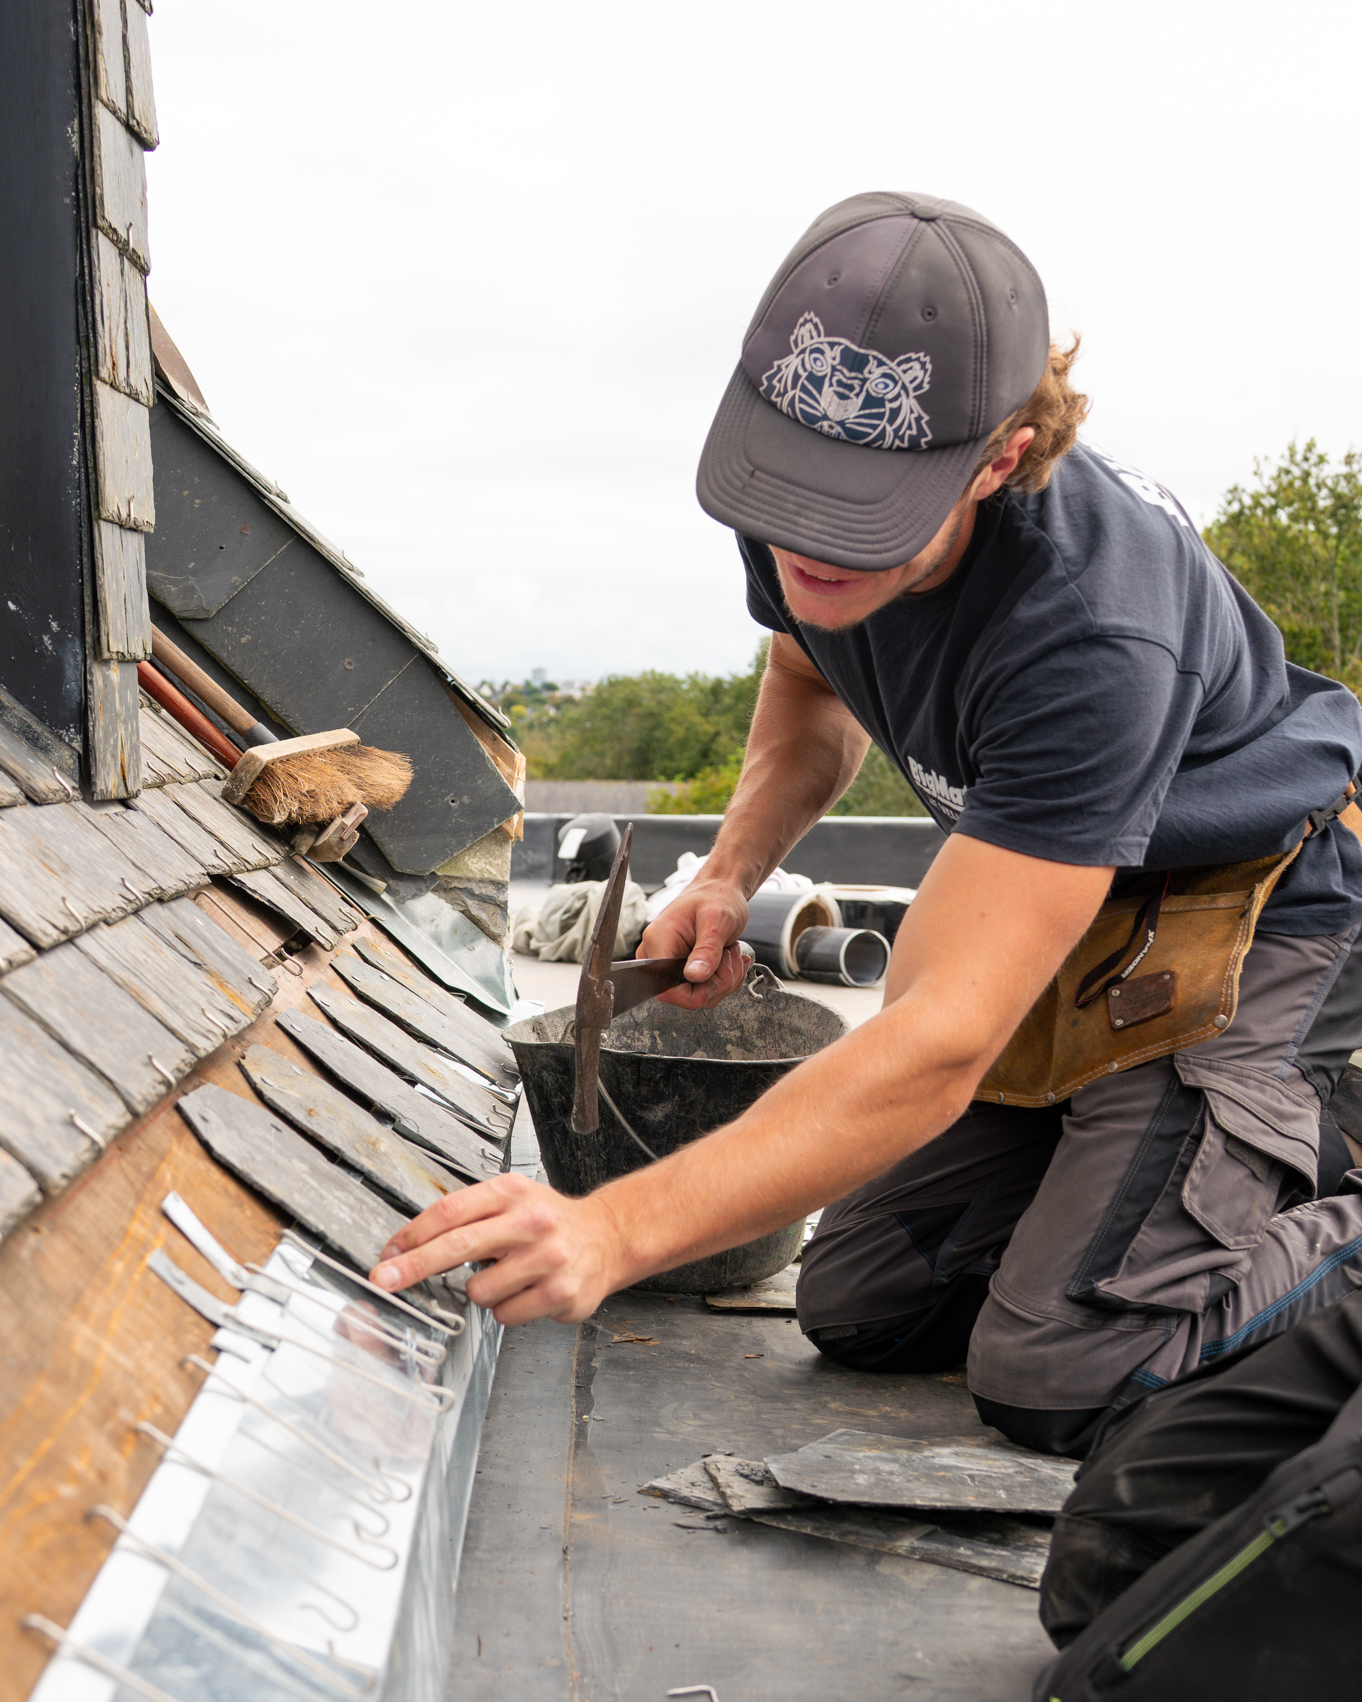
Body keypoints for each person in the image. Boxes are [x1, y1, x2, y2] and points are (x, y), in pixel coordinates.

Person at [372, 192, 1362, 1455]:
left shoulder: (1094, 631)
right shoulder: (794, 492)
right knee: (864, 1304)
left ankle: (1286, 1165)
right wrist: (732, 875)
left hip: (1259, 906)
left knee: (1064, 1371)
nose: (806, 544)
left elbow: (944, 1036)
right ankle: (1152, 1187)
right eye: (789, 499)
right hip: (1056, 888)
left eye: (861, 518)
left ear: (1000, 460)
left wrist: (613, 1226)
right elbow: (808, 678)